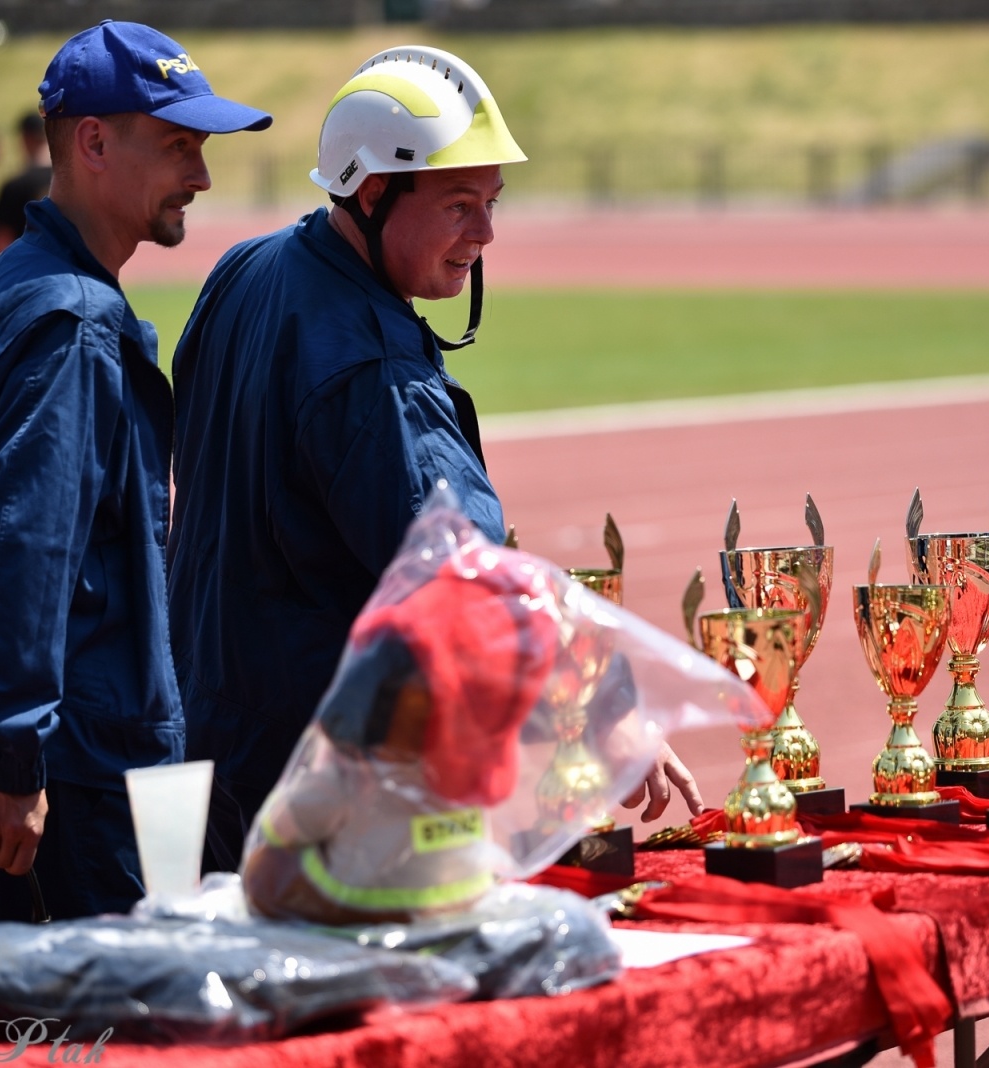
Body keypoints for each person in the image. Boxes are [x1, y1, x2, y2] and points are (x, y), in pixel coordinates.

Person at [168, 46, 702, 874]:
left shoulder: (248, 269)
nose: (485, 234)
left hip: (212, 732)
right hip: (328, 779)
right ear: (373, 192)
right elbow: (464, 575)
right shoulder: (371, 369)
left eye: (491, 203)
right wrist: (604, 705)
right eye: (459, 204)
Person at [0, 20, 271, 923]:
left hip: (18, 753)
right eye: (179, 146)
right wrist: (17, 759)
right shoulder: (74, 321)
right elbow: (26, 544)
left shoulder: (5, 285)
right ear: (92, 141)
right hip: (67, 774)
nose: (202, 176)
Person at [0, 111, 52, 262]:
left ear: (26, 139)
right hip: (71, 276)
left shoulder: (15, 186)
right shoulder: (72, 180)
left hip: (26, 277)